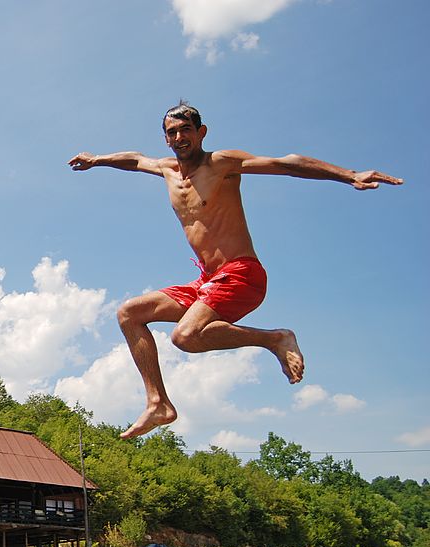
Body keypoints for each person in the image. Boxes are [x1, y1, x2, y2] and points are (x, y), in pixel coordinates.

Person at [68, 101, 402, 440]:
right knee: (130, 313)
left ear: (201, 133)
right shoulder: (167, 169)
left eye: (186, 130)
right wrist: (97, 160)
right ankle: (158, 404)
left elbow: (287, 164)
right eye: (172, 132)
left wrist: (349, 175)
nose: (180, 137)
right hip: (208, 280)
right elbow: (135, 159)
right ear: (166, 139)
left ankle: (274, 339)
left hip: (242, 273)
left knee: (185, 336)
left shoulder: (222, 164)